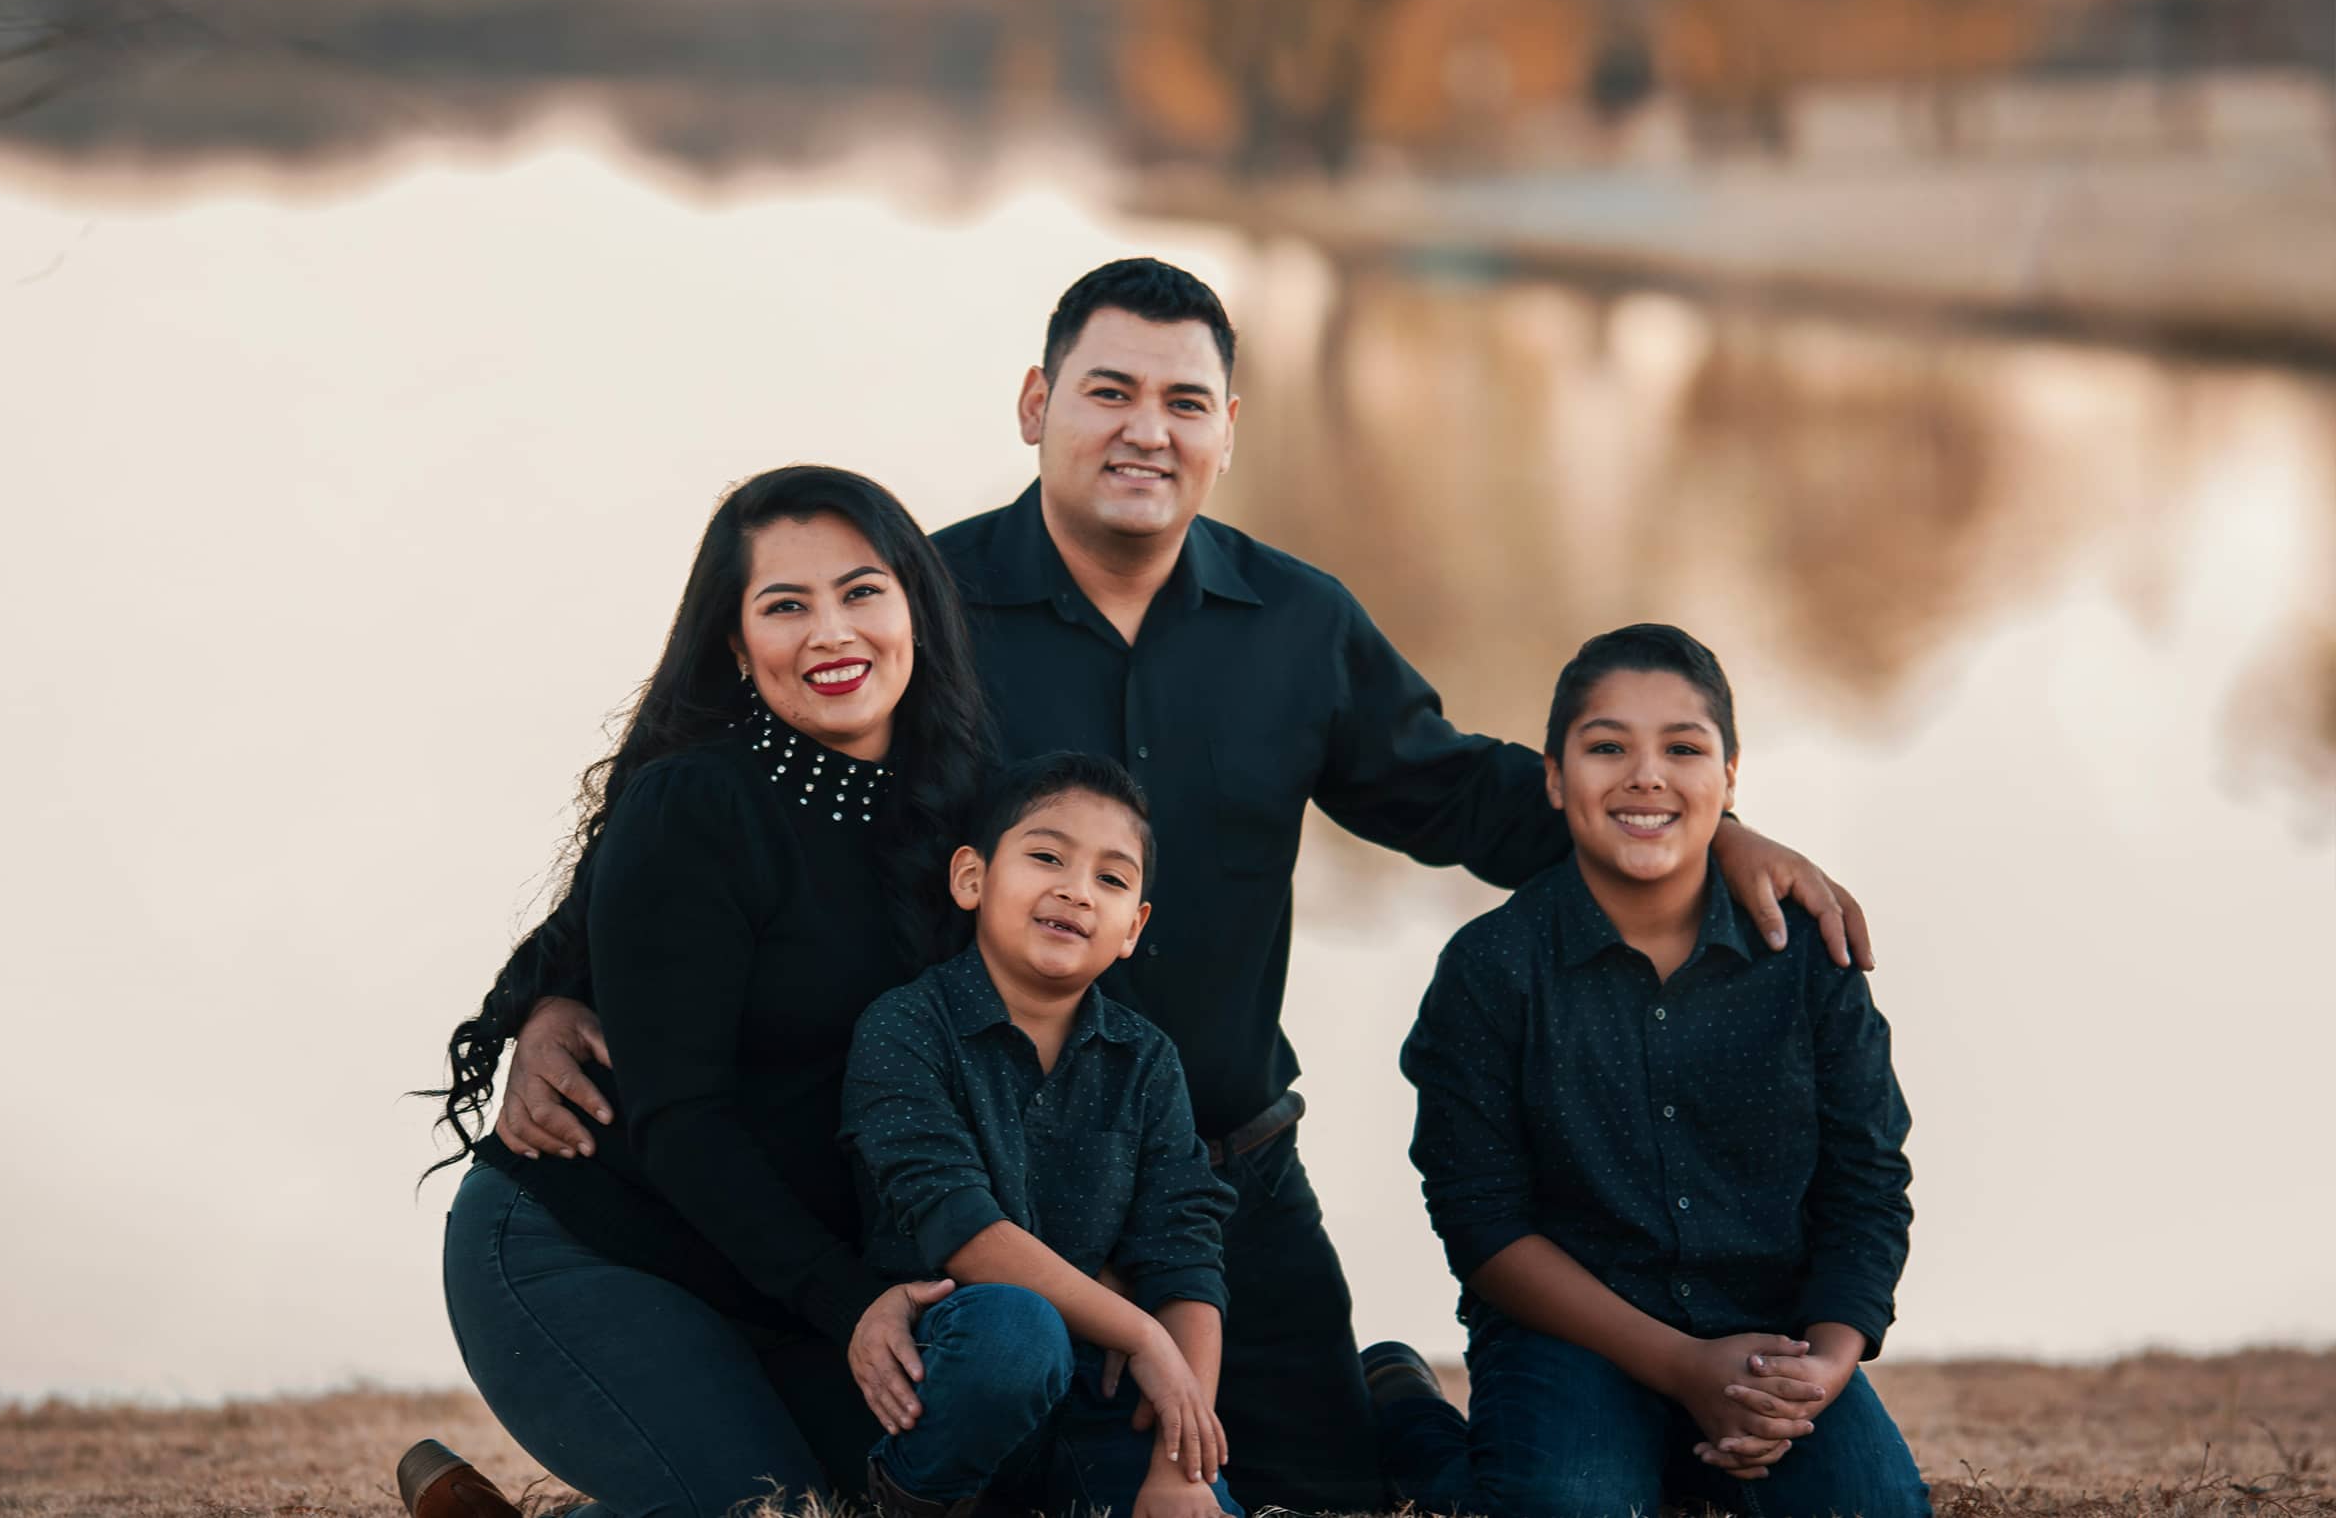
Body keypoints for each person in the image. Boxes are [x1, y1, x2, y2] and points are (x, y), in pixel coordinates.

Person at [497, 260, 1876, 1511]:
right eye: (1107, 391)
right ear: (1038, 405)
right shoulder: (924, 608)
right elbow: (734, 795)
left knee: (1335, 1489)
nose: (1145, 429)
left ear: (1227, 429)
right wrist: (560, 997)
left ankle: (1383, 1401)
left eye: (1184, 400)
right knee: (1009, 1466)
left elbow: (1457, 793)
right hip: (998, 1177)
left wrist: (1709, 836)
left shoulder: (1300, 622)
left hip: (1225, 1175)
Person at [402, 465, 996, 1518]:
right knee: (780, 1513)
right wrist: (853, 1304)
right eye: (784, 605)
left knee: (925, 1481)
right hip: (587, 1247)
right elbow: (682, 1121)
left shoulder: (961, 808)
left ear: (916, 604)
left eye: (861, 591)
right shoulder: (697, 805)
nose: (830, 633)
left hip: (766, 1275)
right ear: (734, 644)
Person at [1371, 624, 1923, 1518]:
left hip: (1765, 1336)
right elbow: (1479, 1222)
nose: (1646, 775)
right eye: (1606, 748)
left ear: (1732, 778)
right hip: (1572, 1335)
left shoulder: (1807, 959)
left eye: (1683, 748)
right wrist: (1679, 1366)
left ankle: (1676, 1464)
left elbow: (1867, 1177)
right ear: (1554, 777)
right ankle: (1400, 1411)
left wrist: (1823, 1364)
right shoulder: (1491, 970)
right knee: (1567, 1502)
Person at [841, 753, 1238, 1518]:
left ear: (1133, 928)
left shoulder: (1146, 1059)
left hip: (1100, 1393)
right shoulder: (907, 1028)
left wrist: (1177, 1468)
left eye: (1112, 879)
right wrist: (1146, 1337)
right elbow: (961, 1228)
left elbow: (1184, 1255)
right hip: (953, 1372)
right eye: (1047, 856)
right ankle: (914, 1499)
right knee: (1017, 1332)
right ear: (972, 879)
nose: (1075, 890)